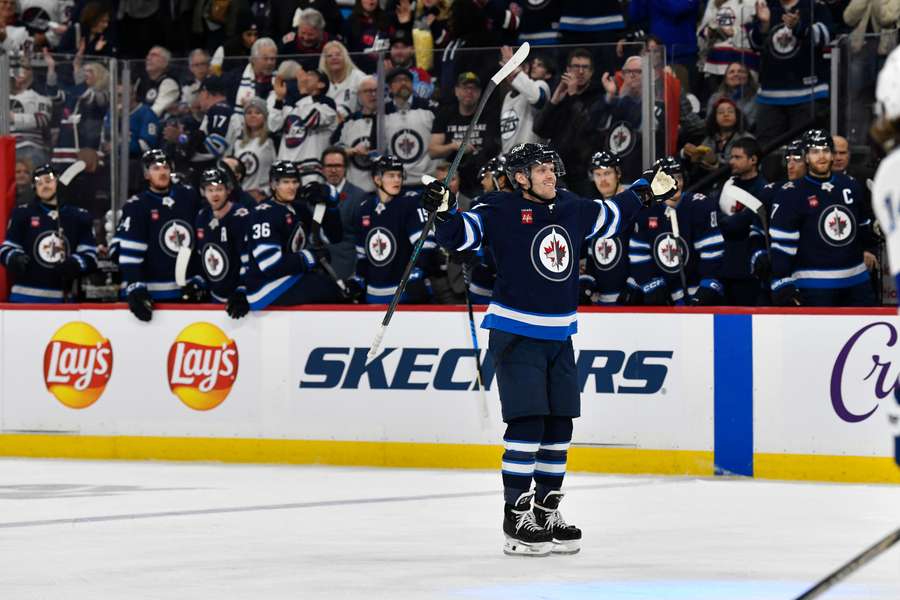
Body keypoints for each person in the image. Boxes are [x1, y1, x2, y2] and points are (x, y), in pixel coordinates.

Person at [421, 142, 676, 556]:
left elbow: (613, 215)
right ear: (520, 177)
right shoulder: (498, 208)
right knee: (528, 424)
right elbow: (458, 234)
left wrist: (647, 189)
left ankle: (545, 509)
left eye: (551, 168)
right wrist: (443, 210)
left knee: (560, 427)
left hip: (560, 334)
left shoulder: (572, 207)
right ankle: (515, 513)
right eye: (540, 170)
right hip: (516, 332)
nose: (549, 175)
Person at [769, 129, 877, 306]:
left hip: (857, 282)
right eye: (815, 151)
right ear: (805, 156)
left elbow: (862, 227)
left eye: (826, 150)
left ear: (832, 155)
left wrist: (874, 232)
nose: (821, 156)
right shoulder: (790, 193)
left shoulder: (849, 184)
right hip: (813, 285)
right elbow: (782, 246)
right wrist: (781, 280)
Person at [111, 149, 203, 321]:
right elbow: (129, 253)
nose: (162, 172)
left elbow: (201, 241)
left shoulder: (188, 197)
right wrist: (136, 288)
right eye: (155, 168)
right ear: (146, 174)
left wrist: (200, 279)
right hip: (152, 294)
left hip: (184, 292)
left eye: (165, 167)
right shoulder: (137, 205)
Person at [243, 160, 343, 309]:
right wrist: (311, 257)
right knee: (328, 289)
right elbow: (271, 265)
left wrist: (331, 206)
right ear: (273, 185)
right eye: (285, 182)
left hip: (288, 277)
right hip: (264, 287)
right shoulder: (263, 213)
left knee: (333, 287)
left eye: (295, 181)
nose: (291, 187)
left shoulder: (298, 208)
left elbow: (331, 237)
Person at [629, 156, 725, 305]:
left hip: (697, 290)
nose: (675, 185)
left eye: (678, 178)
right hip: (665, 293)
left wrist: (708, 285)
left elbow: (712, 251)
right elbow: (638, 254)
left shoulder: (699, 206)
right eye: (668, 180)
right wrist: (650, 284)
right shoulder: (646, 211)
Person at [0, 164, 98, 302]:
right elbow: (6, 248)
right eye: (39, 183)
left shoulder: (78, 216)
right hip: (24, 299)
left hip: (64, 300)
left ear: (58, 182)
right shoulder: (22, 214)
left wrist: (75, 263)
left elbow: (90, 256)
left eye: (48, 180)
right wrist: (14, 258)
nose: (44, 185)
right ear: (34, 188)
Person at [347, 155, 434, 304]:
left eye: (399, 175)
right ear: (377, 179)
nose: (397, 180)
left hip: (406, 294)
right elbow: (362, 255)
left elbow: (426, 245)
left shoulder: (411, 203)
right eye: (391, 175)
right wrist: (359, 279)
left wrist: (417, 272)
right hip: (374, 294)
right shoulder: (364, 209)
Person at [749, 0, 834, 147]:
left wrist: (799, 27)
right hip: (770, 95)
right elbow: (754, 44)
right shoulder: (767, 7)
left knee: (805, 149)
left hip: (808, 93)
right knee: (767, 151)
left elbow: (826, 37)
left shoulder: (814, 7)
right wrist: (763, 25)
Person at [533, 49, 607, 194]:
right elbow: (539, 129)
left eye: (585, 67)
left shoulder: (598, 96)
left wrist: (573, 96)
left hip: (582, 172)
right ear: (568, 70)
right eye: (575, 66)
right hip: (557, 172)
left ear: (591, 72)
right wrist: (554, 101)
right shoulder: (561, 95)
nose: (580, 71)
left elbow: (585, 127)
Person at [580, 151, 639, 306]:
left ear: (618, 173)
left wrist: (635, 282)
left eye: (607, 173)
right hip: (601, 301)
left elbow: (645, 249)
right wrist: (587, 281)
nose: (603, 180)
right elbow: (591, 254)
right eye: (598, 174)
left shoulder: (633, 205)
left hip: (632, 300)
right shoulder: (595, 208)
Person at [716, 138, 769, 305]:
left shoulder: (763, 189)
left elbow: (739, 225)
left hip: (746, 268)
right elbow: (712, 214)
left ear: (753, 160)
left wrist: (724, 221)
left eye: (738, 157)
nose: (732, 162)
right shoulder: (728, 184)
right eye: (731, 157)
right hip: (723, 265)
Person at [429, 72, 500, 196]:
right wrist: (454, 146)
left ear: (479, 93)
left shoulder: (490, 115)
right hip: (452, 179)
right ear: (456, 91)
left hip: (482, 179)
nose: (469, 91)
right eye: (465, 87)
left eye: (473, 88)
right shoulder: (445, 115)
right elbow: (433, 151)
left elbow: (497, 148)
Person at [194, 167, 251, 316]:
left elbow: (249, 259)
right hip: (215, 297)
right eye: (210, 190)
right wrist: (199, 281)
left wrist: (242, 289)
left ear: (228, 190)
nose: (215, 194)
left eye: (219, 189)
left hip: (243, 298)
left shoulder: (241, 216)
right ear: (203, 192)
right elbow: (202, 255)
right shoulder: (202, 216)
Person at [269, 67, 338, 171]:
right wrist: (279, 99)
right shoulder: (293, 105)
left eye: (310, 75)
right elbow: (273, 126)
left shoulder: (327, 104)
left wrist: (304, 93)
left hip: (311, 170)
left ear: (321, 84)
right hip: (287, 168)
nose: (304, 77)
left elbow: (312, 120)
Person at [385, 67, 436, 188]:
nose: (403, 83)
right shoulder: (382, 112)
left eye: (407, 80)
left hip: (426, 181)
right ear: (390, 87)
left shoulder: (429, 107)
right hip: (395, 182)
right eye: (398, 80)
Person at [321, 146, 367, 280]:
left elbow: (362, 241)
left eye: (338, 165)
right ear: (322, 169)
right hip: (318, 270)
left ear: (345, 167)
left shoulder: (359, 197)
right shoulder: (314, 195)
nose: (333, 170)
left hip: (347, 268)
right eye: (329, 166)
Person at [499, 46, 553, 154]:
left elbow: (537, 98)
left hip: (531, 156)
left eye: (540, 65)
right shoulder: (508, 96)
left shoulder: (541, 86)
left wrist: (514, 68)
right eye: (534, 64)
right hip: (510, 158)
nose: (534, 67)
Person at [334, 76, 376, 193]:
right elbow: (334, 152)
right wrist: (353, 151)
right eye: (367, 91)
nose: (373, 94)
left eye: (376, 91)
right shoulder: (349, 122)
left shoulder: (390, 118)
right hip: (355, 191)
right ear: (359, 95)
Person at [231, 97, 276, 202]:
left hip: (265, 198)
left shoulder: (272, 141)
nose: (253, 115)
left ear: (265, 117)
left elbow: (276, 172)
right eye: (249, 112)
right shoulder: (238, 143)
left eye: (258, 112)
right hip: (242, 198)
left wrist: (265, 192)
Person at [226, 37, 278, 116]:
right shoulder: (235, 77)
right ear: (253, 59)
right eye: (265, 58)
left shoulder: (280, 79)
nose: (270, 63)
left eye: (273, 59)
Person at [319, 40, 367, 119]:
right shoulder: (321, 81)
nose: (334, 58)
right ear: (325, 61)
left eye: (338, 54)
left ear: (345, 58)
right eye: (329, 56)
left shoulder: (357, 76)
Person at [706, 62, 759, 132]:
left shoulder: (756, 98)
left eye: (741, 71)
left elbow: (749, 123)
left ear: (748, 77)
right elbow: (710, 123)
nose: (736, 74)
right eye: (731, 72)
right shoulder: (715, 98)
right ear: (726, 78)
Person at [135, 46, 180, 119]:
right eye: (148, 55)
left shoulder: (169, 83)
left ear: (165, 62)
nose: (148, 58)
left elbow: (156, 111)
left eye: (154, 55)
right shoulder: (141, 81)